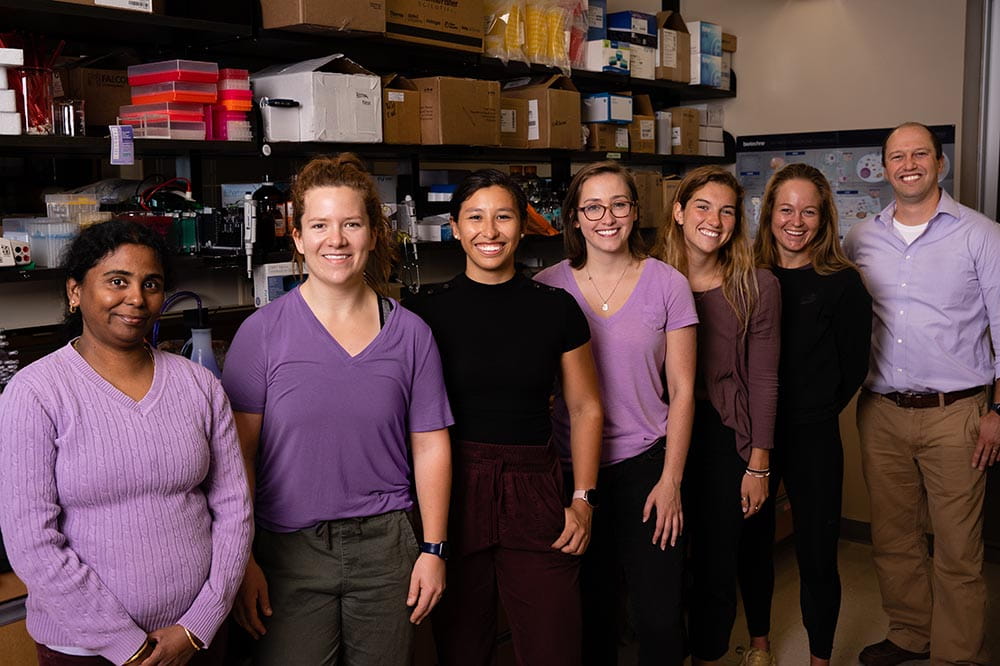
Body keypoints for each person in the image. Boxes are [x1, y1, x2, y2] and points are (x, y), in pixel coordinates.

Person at [222, 154, 453, 666]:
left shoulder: (411, 335)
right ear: (298, 237)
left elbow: (432, 445)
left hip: (388, 547)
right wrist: (244, 560)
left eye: (351, 223)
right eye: (320, 225)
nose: (337, 240)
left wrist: (433, 550)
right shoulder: (261, 335)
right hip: (287, 551)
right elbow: (239, 459)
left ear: (372, 233)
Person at [0, 219, 253, 666]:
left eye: (150, 283)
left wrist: (199, 625)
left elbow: (234, 508)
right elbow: (31, 540)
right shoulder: (36, 392)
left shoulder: (198, 384)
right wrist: (125, 645)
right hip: (86, 651)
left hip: (197, 640)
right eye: (117, 281)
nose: (136, 298)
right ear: (75, 291)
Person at [404, 169, 603, 666]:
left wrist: (583, 500)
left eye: (503, 217)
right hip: (453, 487)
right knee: (462, 647)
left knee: (554, 643)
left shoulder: (556, 309)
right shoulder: (424, 313)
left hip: (535, 486)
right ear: (454, 227)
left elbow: (585, 407)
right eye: (475, 217)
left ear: (523, 225)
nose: (489, 231)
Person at [843, 122, 1000, 666]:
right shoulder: (861, 238)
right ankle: (911, 634)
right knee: (895, 537)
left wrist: (998, 409)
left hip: (955, 414)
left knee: (958, 548)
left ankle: (958, 654)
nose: (908, 164)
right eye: (896, 156)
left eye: (919, 154)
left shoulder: (981, 234)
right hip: (881, 410)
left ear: (940, 163)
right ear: (884, 167)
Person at [534, 161, 697, 666]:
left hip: (646, 468)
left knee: (658, 615)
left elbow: (684, 389)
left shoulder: (667, 284)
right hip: (567, 473)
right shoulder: (546, 287)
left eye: (619, 205)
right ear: (575, 219)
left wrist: (671, 480)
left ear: (635, 212)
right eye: (593, 207)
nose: (607, 217)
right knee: (589, 614)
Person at [739, 163, 872, 666]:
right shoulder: (747, 277)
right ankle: (759, 646)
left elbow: (853, 367)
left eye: (809, 211)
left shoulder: (843, 284)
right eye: (786, 209)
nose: (796, 221)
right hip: (750, 436)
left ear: (824, 218)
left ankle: (819, 657)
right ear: (769, 212)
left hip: (813, 433)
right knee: (752, 543)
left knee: (817, 552)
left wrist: (809, 410)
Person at [651, 165, 780, 666]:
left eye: (728, 211)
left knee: (715, 560)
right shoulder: (648, 276)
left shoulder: (756, 286)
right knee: (660, 557)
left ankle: (708, 654)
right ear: (679, 212)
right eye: (702, 206)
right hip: (656, 433)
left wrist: (758, 464)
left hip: (725, 434)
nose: (715, 220)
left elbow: (765, 380)